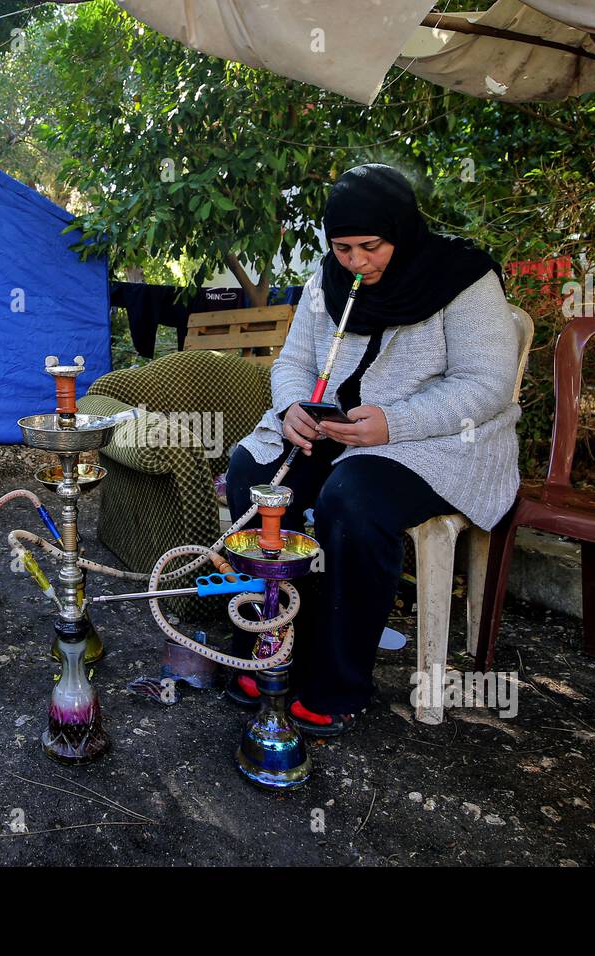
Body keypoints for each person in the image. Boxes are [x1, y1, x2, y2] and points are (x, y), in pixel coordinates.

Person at [225, 163, 521, 734]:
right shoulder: (325, 282)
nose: (357, 263)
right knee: (254, 473)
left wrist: (394, 424)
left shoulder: (462, 277)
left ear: (402, 231)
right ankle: (270, 641)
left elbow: (485, 386)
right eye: (342, 248)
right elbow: (294, 363)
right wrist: (293, 409)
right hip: (334, 431)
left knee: (353, 500)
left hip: (437, 440)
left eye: (370, 246)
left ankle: (338, 682)